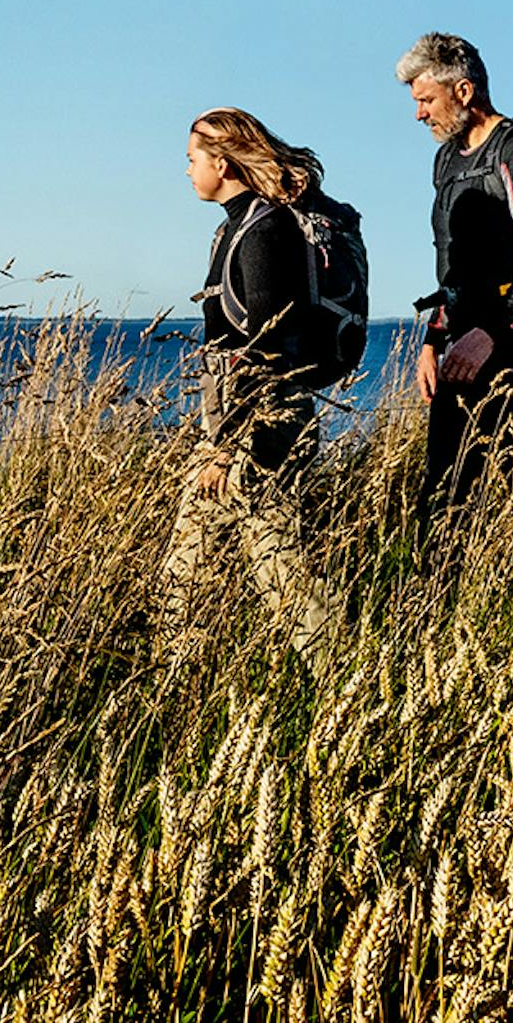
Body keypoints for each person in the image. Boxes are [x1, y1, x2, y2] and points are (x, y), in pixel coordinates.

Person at [160, 107, 334, 665]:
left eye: (192, 159)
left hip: (262, 431)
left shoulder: (264, 232)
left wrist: (229, 447)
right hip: (238, 431)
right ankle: (174, 678)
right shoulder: (235, 228)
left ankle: (339, 679)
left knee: (280, 575)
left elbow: (268, 348)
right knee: (192, 568)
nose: (186, 170)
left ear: (223, 161)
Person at [395, 32, 513, 534]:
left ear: (464, 92)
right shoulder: (446, 160)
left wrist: (492, 332)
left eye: (426, 100)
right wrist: (433, 340)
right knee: (444, 498)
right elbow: (452, 269)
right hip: (461, 349)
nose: (419, 114)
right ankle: (439, 605)